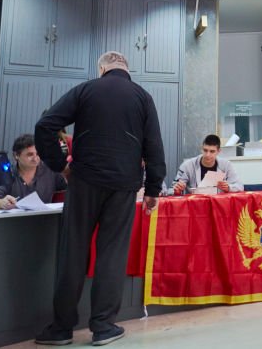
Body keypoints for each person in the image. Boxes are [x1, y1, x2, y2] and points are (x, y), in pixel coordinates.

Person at [33, 51, 165, 347]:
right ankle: (103, 327)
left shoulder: (85, 89)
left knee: (73, 252)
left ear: (102, 68)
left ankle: (61, 329)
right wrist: (153, 190)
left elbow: (45, 125)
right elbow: (154, 147)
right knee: (112, 254)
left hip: (84, 181)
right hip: (123, 186)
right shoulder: (143, 97)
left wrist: (60, 165)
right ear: (126, 70)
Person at [0, 134, 67, 210]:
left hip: (44, 218)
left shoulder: (51, 170)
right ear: (16, 155)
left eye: (38, 154)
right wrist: (1, 202)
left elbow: (71, 187)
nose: (35, 158)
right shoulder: (6, 173)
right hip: (14, 219)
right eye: (30, 154)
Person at [173, 134, 243, 194]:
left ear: (218, 151)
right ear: (201, 149)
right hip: (194, 205)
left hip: (218, 204)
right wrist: (177, 190)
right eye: (205, 150)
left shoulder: (226, 165)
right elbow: (171, 189)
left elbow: (240, 187)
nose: (207, 155)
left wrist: (228, 187)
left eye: (212, 151)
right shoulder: (187, 166)